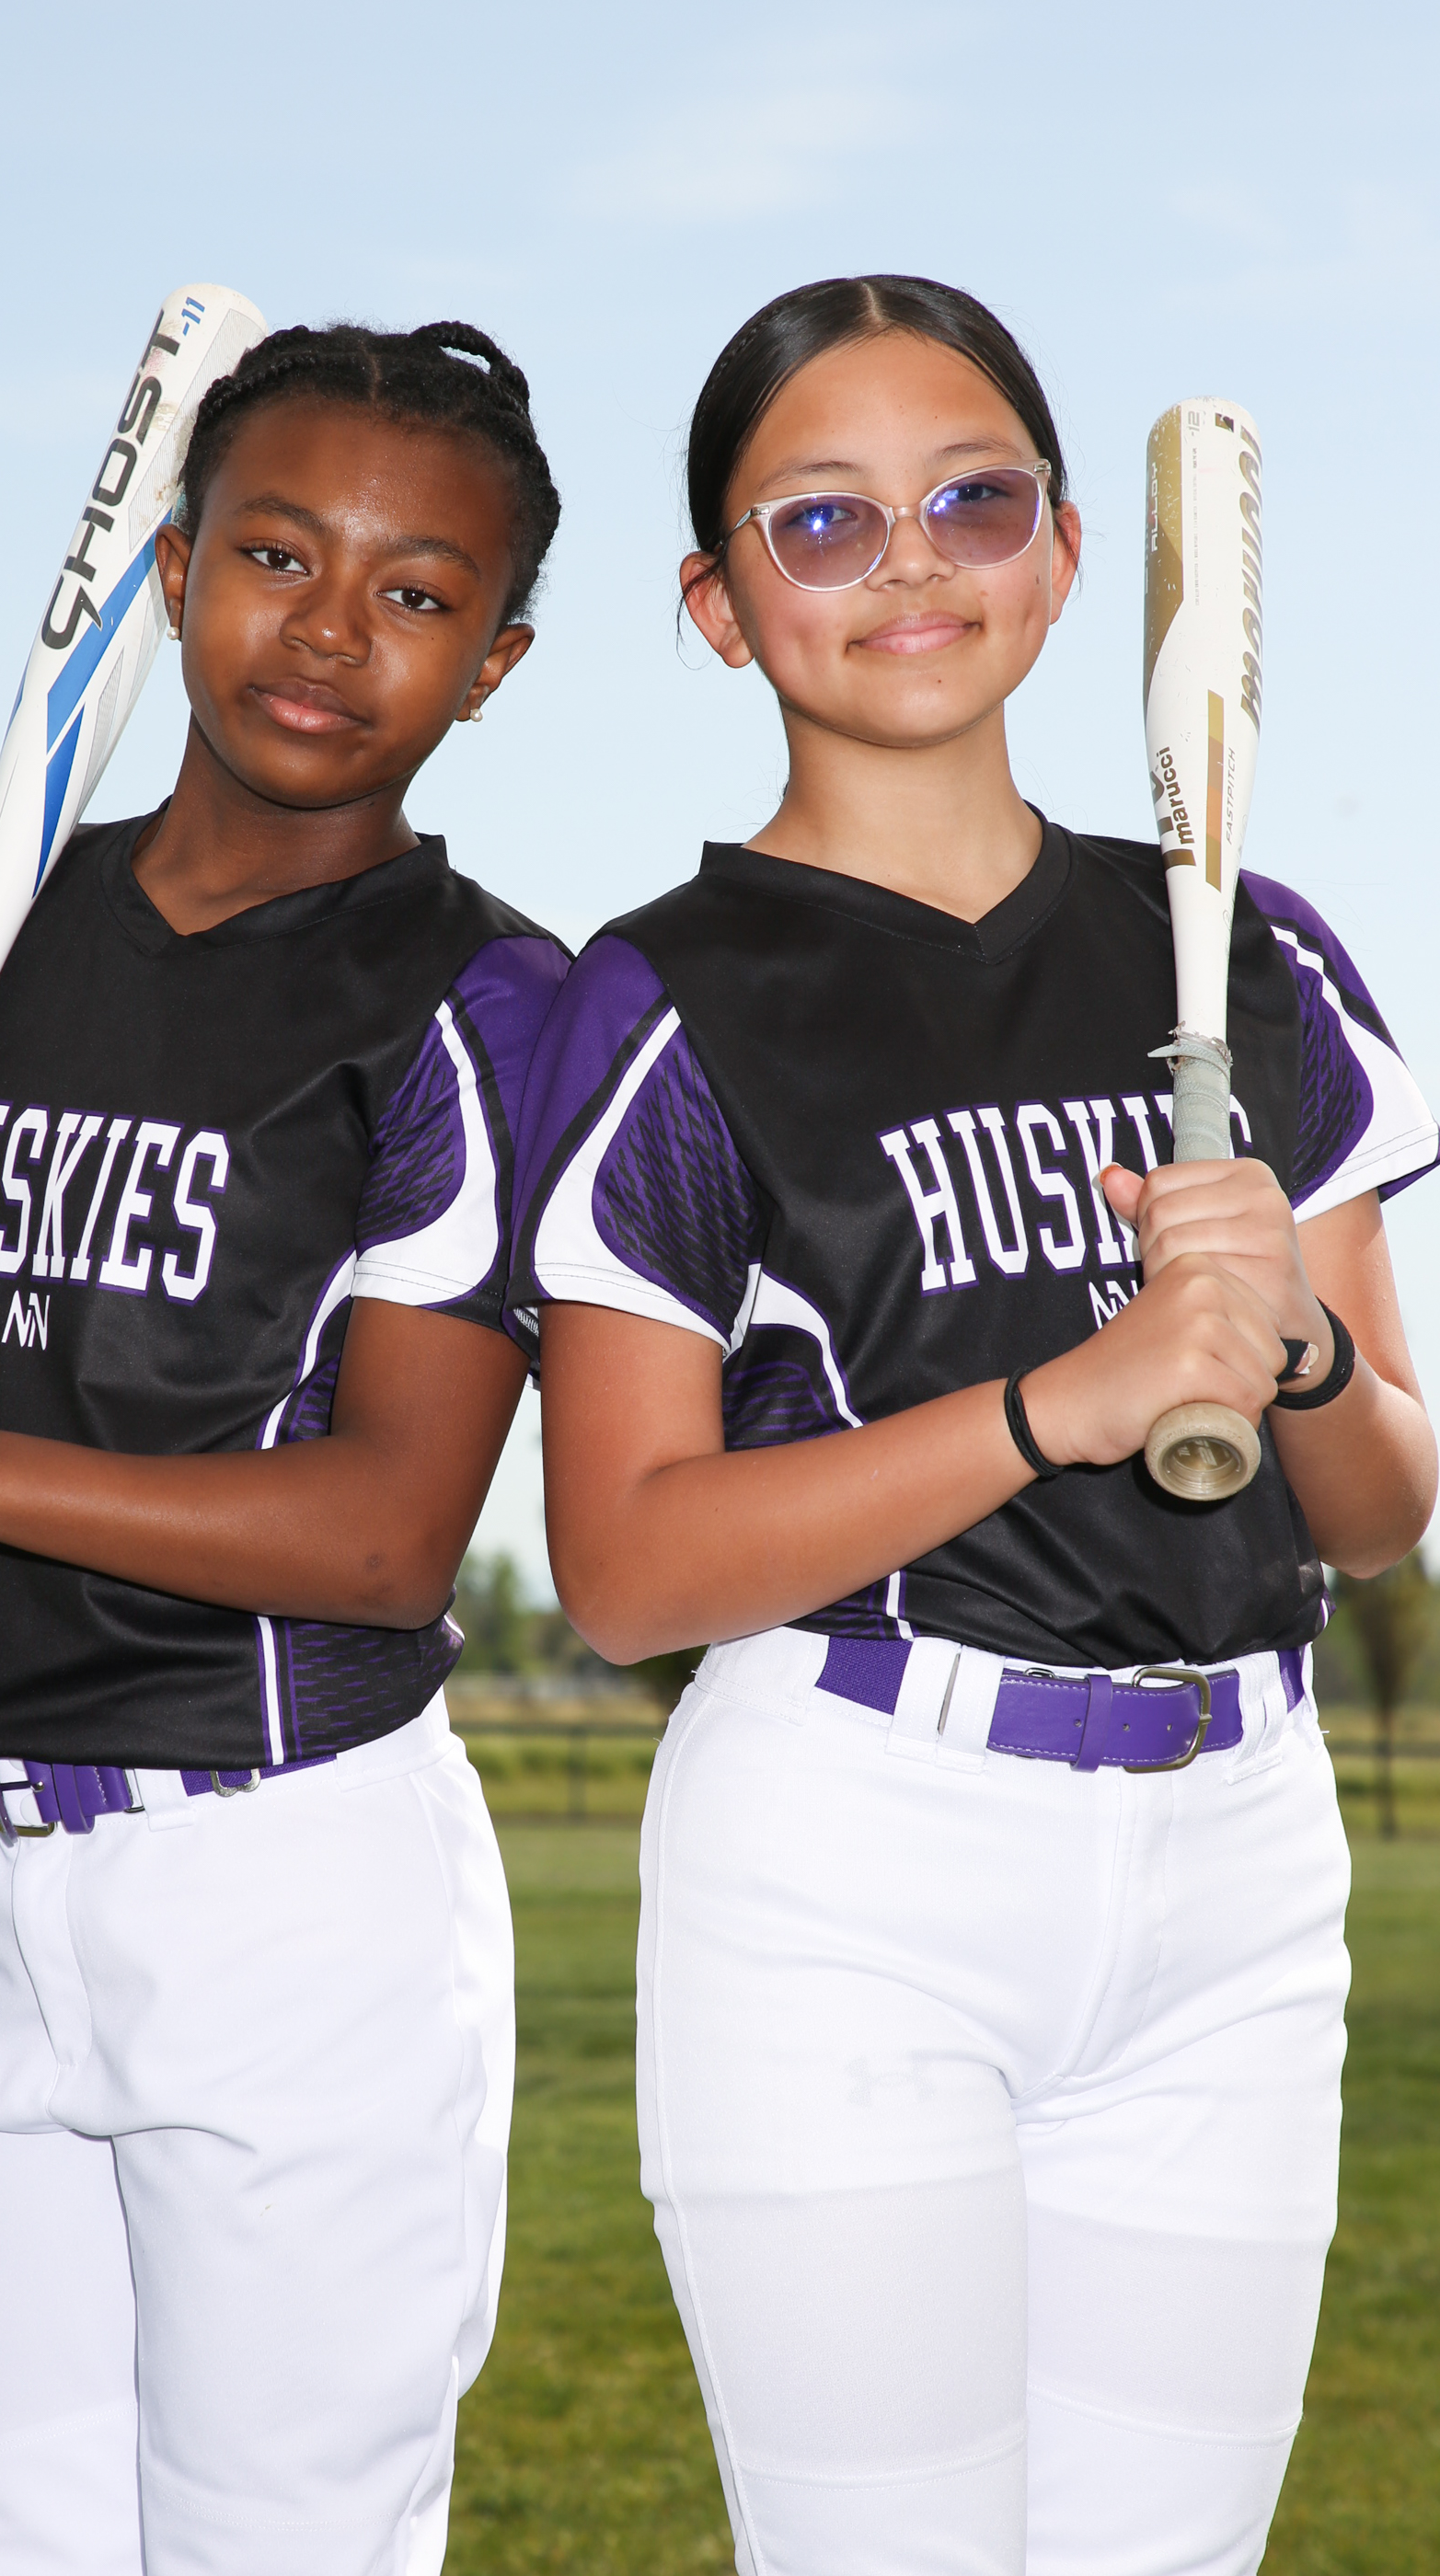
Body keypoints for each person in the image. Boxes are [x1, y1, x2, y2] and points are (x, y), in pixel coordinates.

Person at [508, 275, 1437, 2576]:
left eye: (973, 501)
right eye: (821, 521)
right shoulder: (664, 997)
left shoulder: (1244, 947)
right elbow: (624, 1564)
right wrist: (1063, 1399)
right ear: (717, 605)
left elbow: (1380, 1501)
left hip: (1240, 1853)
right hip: (858, 1852)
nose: (909, 560)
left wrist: (1291, 1352)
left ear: (1060, 555)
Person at [0, 318, 568, 2576]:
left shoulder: (485, 996)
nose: (327, 629)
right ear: (170, 572)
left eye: (415, 591)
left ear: (496, 663)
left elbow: (387, 1531)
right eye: (273, 552)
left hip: (281, 1883)